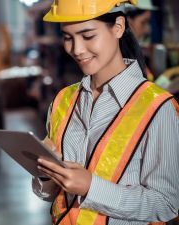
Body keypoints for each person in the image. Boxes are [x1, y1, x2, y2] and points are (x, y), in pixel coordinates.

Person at [32, 1, 179, 225]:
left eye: (88, 36)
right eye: (68, 37)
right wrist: (46, 173)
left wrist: (91, 187)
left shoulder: (158, 107)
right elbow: (55, 195)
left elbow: (166, 203)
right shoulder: (63, 101)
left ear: (118, 27)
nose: (77, 49)